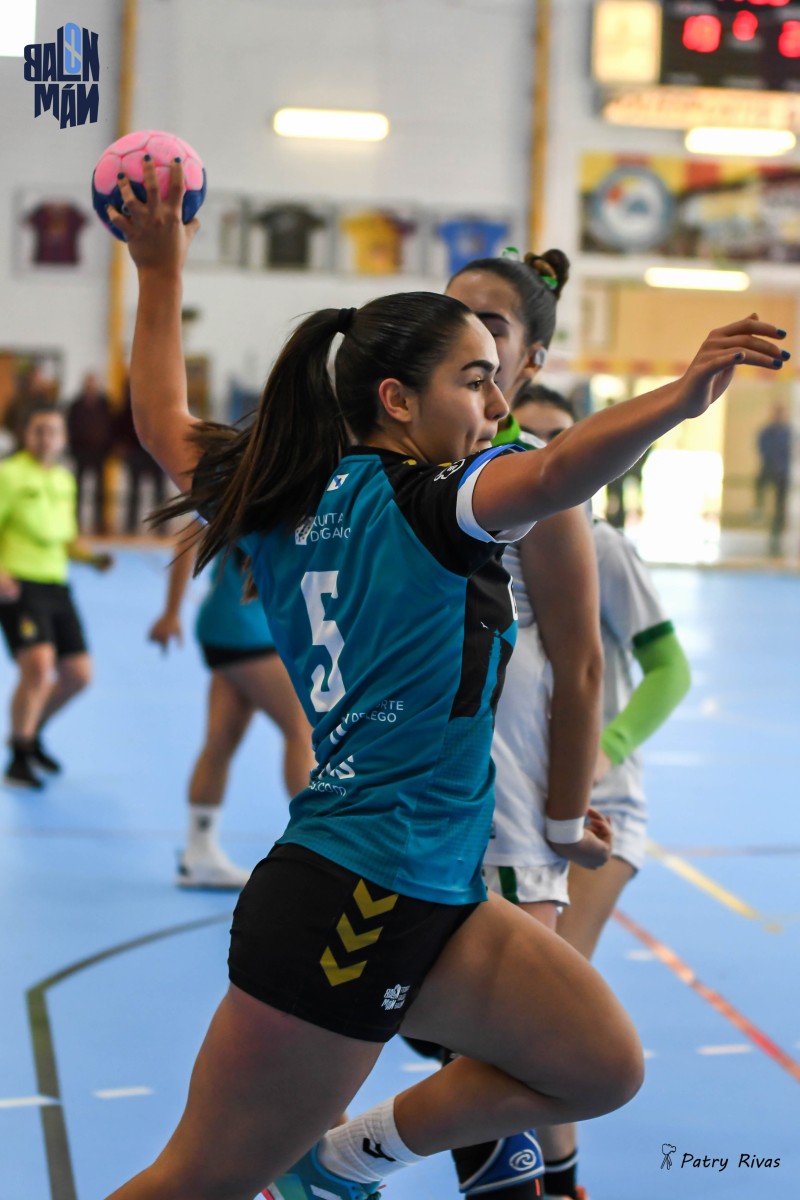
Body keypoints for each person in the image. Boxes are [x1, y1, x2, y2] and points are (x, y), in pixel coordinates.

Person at [105, 159, 786, 1200]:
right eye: (473, 381)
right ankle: (314, 1164)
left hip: (432, 886)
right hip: (353, 898)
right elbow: (556, 470)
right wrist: (681, 398)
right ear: (396, 399)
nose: (495, 402)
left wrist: (160, 273)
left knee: (599, 1064)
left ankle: (340, 1162)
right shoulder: (426, 506)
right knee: (195, 1182)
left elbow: (161, 421)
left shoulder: (279, 491)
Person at [498, 380, 693, 1200]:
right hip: (523, 806)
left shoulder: (603, 546)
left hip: (596, 812)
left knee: (537, 1019)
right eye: (531, 437)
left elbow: (670, 670)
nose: (547, 454)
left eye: (563, 439)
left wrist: (607, 749)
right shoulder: (499, 533)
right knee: (509, 1021)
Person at [148, 525, 315, 889]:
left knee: (221, 739)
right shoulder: (246, 490)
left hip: (238, 624)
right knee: (302, 731)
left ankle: (199, 854)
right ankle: (320, 854)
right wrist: (171, 612)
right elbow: (189, 535)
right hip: (246, 628)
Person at [0, 403, 113, 790]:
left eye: (53, 431)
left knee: (78, 676)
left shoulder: (65, 480)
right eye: (38, 430)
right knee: (38, 666)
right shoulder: (9, 475)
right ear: (25, 434)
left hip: (56, 586)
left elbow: (65, 539)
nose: (46, 438)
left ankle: (30, 735)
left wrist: (92, 559)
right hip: (19, 585)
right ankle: (18, 756)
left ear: (63, 438)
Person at [115, 381, 168, 534]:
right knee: (134, 491)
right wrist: (124, 447)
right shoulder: (128, 406)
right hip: (135, 452)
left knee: (159, 491)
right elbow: (121, 427)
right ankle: (130, 525)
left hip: (156, 452)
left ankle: (161, 525)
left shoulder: (159, 406)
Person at [67, 371, 116, 534]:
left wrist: (109, 448)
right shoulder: (76, 405)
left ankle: (99, 521)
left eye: (94, 383)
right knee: (78, 489)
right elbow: (70, 427)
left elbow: (111, 426)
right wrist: (73, 448)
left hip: (100, 453)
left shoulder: (105, 404)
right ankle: (75, 519)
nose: (91, 386)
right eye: (89, 383)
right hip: (81, 452)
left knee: (101, 491)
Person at [754, 401, 792, 555]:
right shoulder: (766, 432)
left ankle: (776, 532)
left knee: (780, 504)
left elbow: (789, 451)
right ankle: (758, 508)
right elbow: (763, 449)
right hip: (769, 468)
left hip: (782, 472)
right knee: (759, 484)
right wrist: (772, 464)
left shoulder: (788, 432)